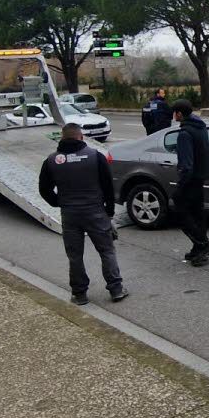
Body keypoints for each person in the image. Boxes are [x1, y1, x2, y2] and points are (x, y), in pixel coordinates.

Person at [38, 123, 128, 305]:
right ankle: (116, 289)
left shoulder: (51, 160)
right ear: (81, 137)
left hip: (70, 214)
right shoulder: (95, 156)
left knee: (75, 256)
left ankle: (79, 294)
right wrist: (109, 211)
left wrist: (58, 202)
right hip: (95, 211)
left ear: (62, 138)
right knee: (106, 251)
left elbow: (44, 189)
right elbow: (108, 187)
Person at [171, 99, 209, 266]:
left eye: (174, 112)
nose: (173, 115)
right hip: (201, 177)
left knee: (181, 213)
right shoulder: (199, 126)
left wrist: (180, 187)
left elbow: (186, 165)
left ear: (180, 114)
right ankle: (198, 247)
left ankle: (202, 244)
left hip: (190, 179)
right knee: (197, 213)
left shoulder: (184, 134)